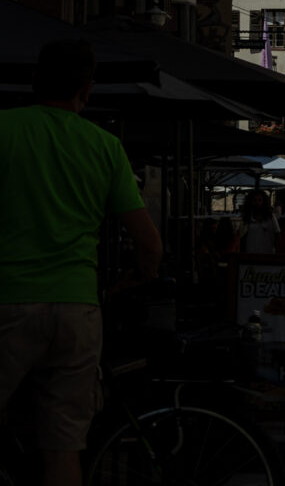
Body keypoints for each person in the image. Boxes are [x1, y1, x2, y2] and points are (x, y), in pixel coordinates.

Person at [0, 39, 163, 486]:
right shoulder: (105, 147)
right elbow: (149, 243)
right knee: (64, 447)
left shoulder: (4, 129)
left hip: (8, 303)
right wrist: (139, 276)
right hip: (76, 310)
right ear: (87, 91)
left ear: (34, 80)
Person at [238, 189, 280, 254]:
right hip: (250, 256)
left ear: (264, 202)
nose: (257, 202)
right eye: (254, 200)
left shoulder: (271, 217)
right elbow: (241, 238)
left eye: (260, 200)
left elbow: (278, 236)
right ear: (250, 202)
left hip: (268, 255)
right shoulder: (247, 219)